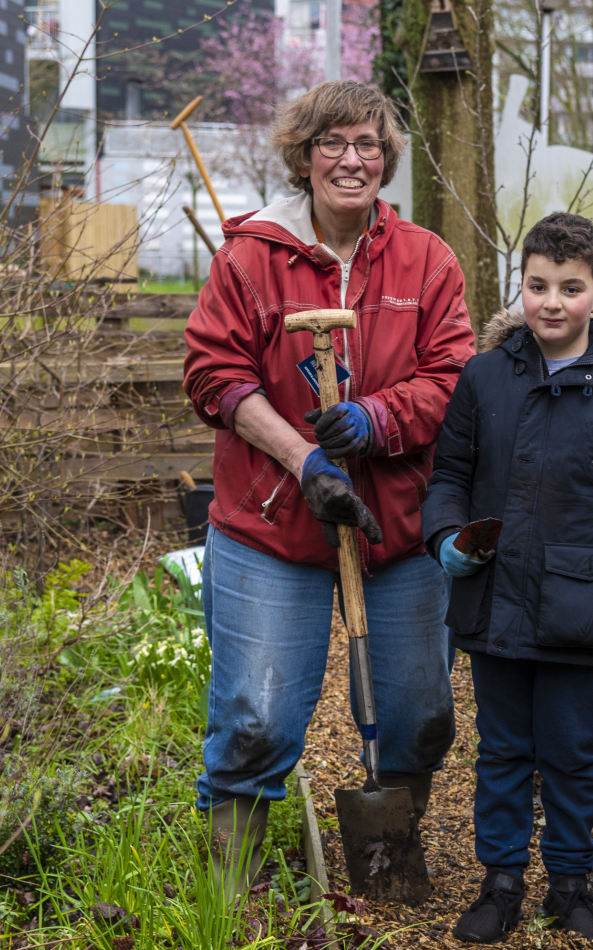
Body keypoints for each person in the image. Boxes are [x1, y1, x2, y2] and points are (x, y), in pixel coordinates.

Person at [181, 81, 475, 892]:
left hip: (395, 529)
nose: (353, 160)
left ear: (387, 159)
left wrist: (377, 421)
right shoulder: (252, 255)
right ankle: (228, 890)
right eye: (335, 144)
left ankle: (390, 860)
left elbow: (452, 377)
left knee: (420, 713)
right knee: (258, 715)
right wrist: (304, 459)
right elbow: (212, 373)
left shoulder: (427, 260)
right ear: (305, 156)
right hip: (270, 527)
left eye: (369, 145)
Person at [421, 213, 593, 947]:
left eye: (571, 288)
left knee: (570, 753)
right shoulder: (485, 374)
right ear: (521, 289)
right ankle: (500, 881)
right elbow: (450, 476)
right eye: (538, 286)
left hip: (583, 608)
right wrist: (446, 538)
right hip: (496, 601)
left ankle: (571, 886)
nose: (552, 303)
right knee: (501, 749)